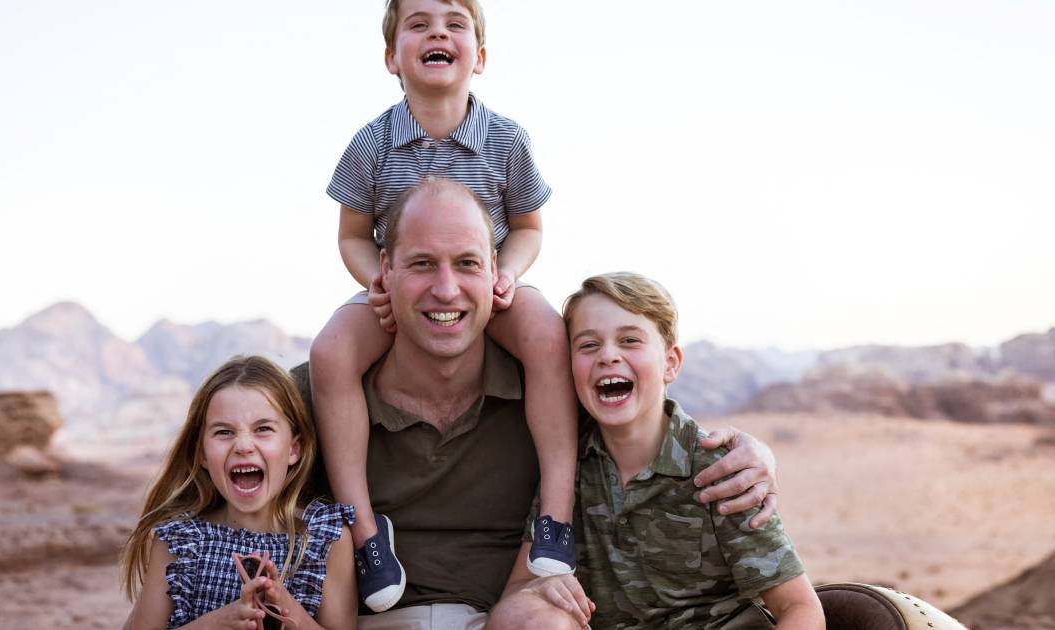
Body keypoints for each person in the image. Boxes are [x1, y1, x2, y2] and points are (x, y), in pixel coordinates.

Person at [295, 177, 780, 629]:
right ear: (385, 270)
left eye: (467, 263)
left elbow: (642, 428)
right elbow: (231, 447)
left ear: (496, 273)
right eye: (423, 263)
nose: (447, 289)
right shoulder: (316, 396)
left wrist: (753, 453)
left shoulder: (550, 392)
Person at [310, 0, 581, 611]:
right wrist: (373, 282)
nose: (438, 32)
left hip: (488, 285)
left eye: (455, 23)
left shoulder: (507, 139)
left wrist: (506, 274)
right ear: (391, 57)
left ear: (479, 57)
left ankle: (556, 517)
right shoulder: (371, 143)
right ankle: (365, 533)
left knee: (545, 333)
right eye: (420, 23)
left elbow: (529, 227)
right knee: (331, 350)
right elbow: (353, 235)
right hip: (397, 290)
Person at [491, 273, 825, 629]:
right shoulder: (567, 467)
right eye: (588, 345)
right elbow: (518, 598)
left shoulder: (719, 469)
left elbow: (800, 608)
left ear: (671, 364)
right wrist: (544, 587)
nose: (608, 356)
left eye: (630, 340)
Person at [121, 355, 357, 630]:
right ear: (203, 455)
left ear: (294, 448)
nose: (244, 445)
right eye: (224, 432)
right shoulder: (180, 540)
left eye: (263, 429)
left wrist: (283, 605)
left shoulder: (325, 538)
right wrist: (218, 623)